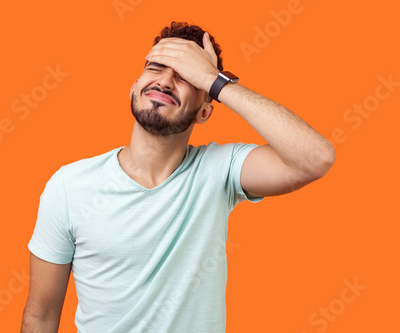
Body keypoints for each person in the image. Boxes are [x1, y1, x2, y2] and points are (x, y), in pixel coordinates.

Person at [20, 21, 335, 333]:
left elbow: (315, 158)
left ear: (204, 111)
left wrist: (215, 81)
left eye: (186, 75)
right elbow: (42, 316)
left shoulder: (219, 170)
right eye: (157, 67)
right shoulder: (69, 186)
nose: (166, 81)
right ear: (134, 86)